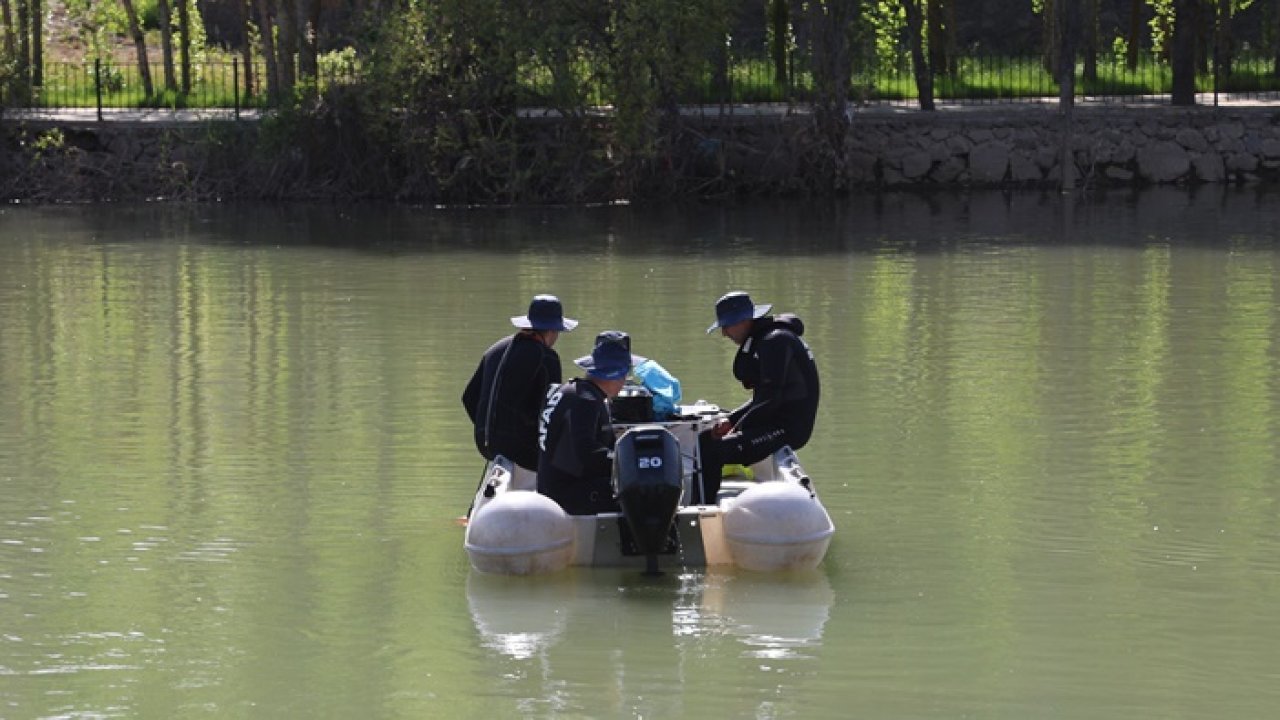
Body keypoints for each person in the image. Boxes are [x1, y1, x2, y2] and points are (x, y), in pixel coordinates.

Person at [697, 291, 820, 504]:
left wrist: (737, 429)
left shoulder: (775, 342)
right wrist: (732, 420)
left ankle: (704, 511)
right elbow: (763, 398)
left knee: (715, 452)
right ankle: (700, 499)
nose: (724, 333)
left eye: (727, 326)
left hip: (789, 427)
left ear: (744, 321)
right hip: (772, 420)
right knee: (704, 438)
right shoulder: (767, 340)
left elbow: (770, 400)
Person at [462, 294, 578, 490]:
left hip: (486, 445)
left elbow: (468, 397)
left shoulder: (496, 349)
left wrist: (491, 429)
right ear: (552, 330)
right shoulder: (547, 357)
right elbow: (550, 412)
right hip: (522, 452)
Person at [536, 332, 635, 515]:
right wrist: (628, 460)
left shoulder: (569, 390)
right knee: (641, 491)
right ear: (616, 374)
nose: (625, 382)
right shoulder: (586, 400)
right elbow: (586, 453)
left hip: (550, 488)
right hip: (567, 496)